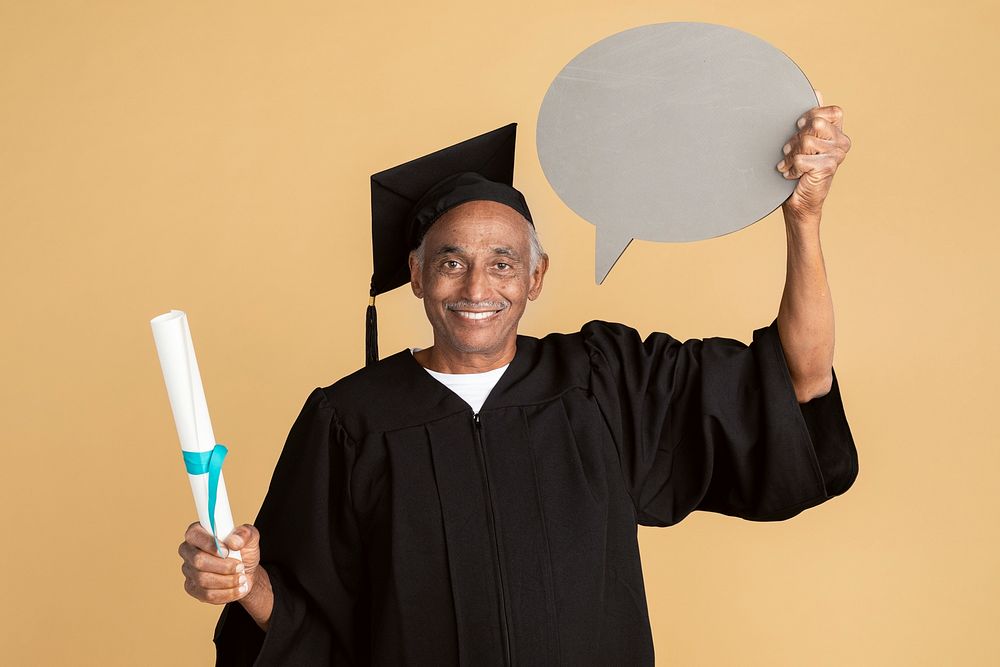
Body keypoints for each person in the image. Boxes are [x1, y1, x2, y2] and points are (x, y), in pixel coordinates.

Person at [178, 102, 857, 665]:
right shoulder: (350, 420)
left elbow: (798, 377)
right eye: (452, 262)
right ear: (416, 274)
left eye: (504, 264)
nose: (478, 287)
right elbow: (308, 626)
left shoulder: (605, 380)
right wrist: (244, 582)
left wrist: (804, 219)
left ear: (536, 278)